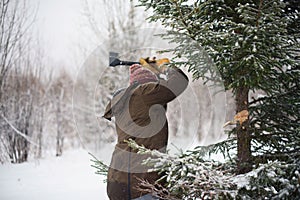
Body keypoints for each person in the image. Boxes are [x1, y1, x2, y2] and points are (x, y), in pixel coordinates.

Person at [103, 58, 189, 200]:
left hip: (118, 183)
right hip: (142, 185)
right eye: (155, 85)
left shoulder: (126, 100)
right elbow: (179, 82)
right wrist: (165, 66)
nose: (157, 88)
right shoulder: (143, 93)